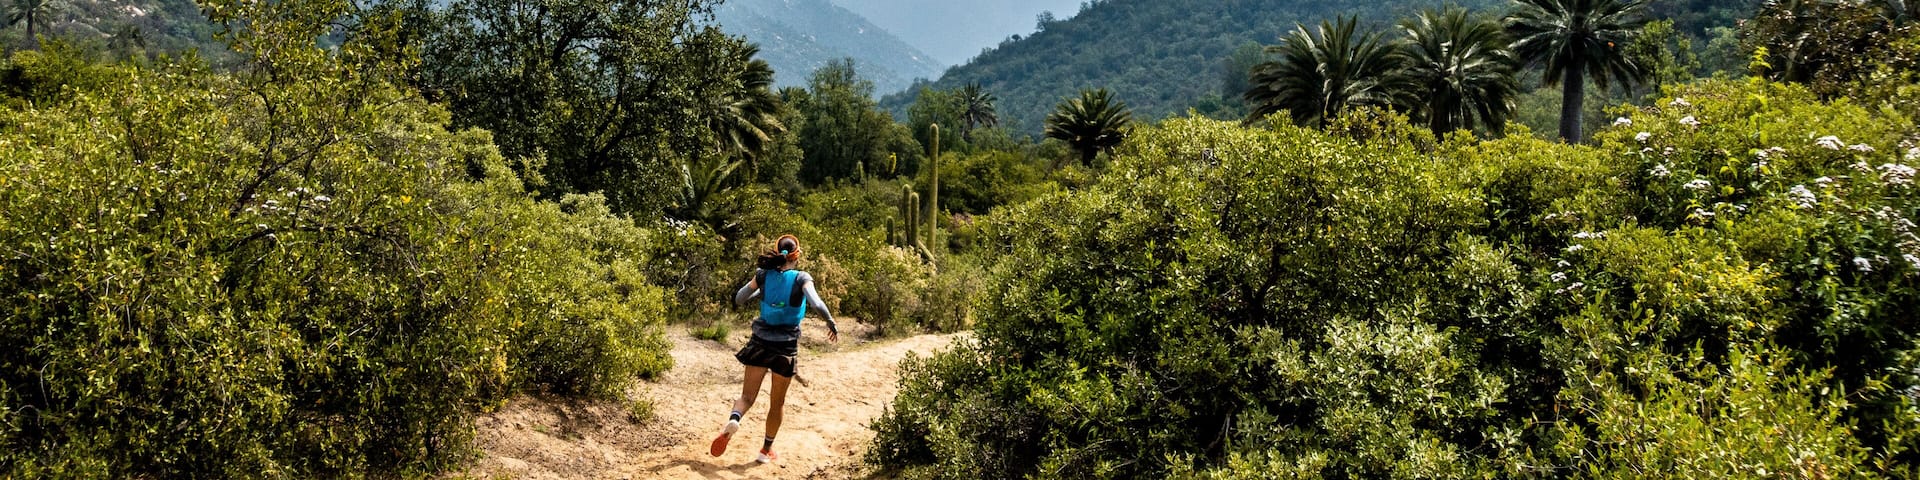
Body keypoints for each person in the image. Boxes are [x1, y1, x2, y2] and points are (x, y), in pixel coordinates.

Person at [710, 234, 838, 464]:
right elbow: (816, 303)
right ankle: (765, 450)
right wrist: (831, 322)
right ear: (796, 256)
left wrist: (762, 290)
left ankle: (735, 418)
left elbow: (739, 298)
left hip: (759, 342)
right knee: (776, 403)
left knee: (747, 397)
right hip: (785, 348)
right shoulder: (801, 278)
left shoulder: (763, 275)